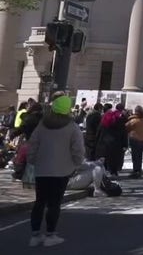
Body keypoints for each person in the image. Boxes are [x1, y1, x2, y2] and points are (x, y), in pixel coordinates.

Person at [26, 95, 84, 247]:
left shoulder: (42, 125)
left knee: (39, 201)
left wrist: (32, 160)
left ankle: (35, 234)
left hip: (41, 168)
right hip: (62, 170)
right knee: (54, 203)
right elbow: (78, 150)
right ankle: (50, 234)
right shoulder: (72, 127)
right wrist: (78, 164)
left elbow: (33, 144)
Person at [125, 106, 143, 179]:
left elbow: (126, 126)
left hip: (135, 140)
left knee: (135, 157)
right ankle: (138, 171)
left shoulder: (134, 120)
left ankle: (136, 171)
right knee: (139, 157)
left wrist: (131, 117)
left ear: (137, 112)